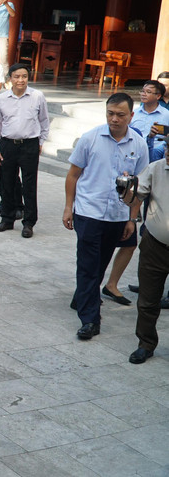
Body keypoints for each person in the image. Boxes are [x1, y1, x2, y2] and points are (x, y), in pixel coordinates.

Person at [63, 92, 149, 340]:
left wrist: (132, 218)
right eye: (110, 113)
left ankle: (81, 297)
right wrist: (69, 207)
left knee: (100, 262)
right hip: (89, 212)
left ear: (131, 116)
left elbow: (139, 187)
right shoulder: (90, 138)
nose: (114, 119)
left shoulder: (138, 145)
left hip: (117, 215)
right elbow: (73, 174)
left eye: (120, 115)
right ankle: (90, 320)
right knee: (88, 265)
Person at [0, 64, 50, 238]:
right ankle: (7, 219)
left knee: (29, 185)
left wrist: (41, 141)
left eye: (24, 76)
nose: (20, 80)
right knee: (7, 182)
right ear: (10, 79)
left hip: (29, 145)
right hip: (8, 145)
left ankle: (29, 222)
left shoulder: (37, 96)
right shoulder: (2, 99)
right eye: (17, 76)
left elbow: (44, 121)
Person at [124, 145, 169, 364]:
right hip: (155, 246)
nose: (168, 152)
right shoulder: (156, 168)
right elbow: (134, 199)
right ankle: (145, 343)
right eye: (168, 146)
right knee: (148, 300)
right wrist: (124, 190)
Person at [129, 80, 169, 161]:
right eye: (143, 91)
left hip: (157, 153)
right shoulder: (134, 113)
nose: (143, 94)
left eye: (148, 92)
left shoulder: (166, 115)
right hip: (136, 151)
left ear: (158, 96)